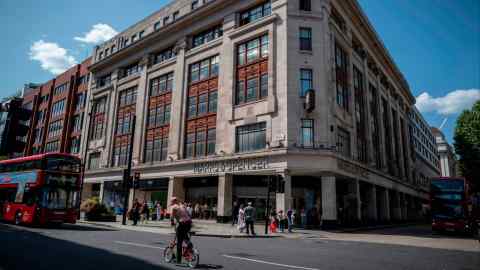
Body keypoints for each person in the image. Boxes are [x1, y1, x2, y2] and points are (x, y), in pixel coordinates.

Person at [170, 197, 192, 265]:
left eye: (171, 201)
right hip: (188, 223)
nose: (171, 203)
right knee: (185, 237)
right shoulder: (182, 205)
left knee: (179, 242)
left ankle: (178, 260)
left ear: (173, 201)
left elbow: (172, 216)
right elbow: (188, 214)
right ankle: (189, 246)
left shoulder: (174, 207)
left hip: (182, 223)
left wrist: (172, 222)